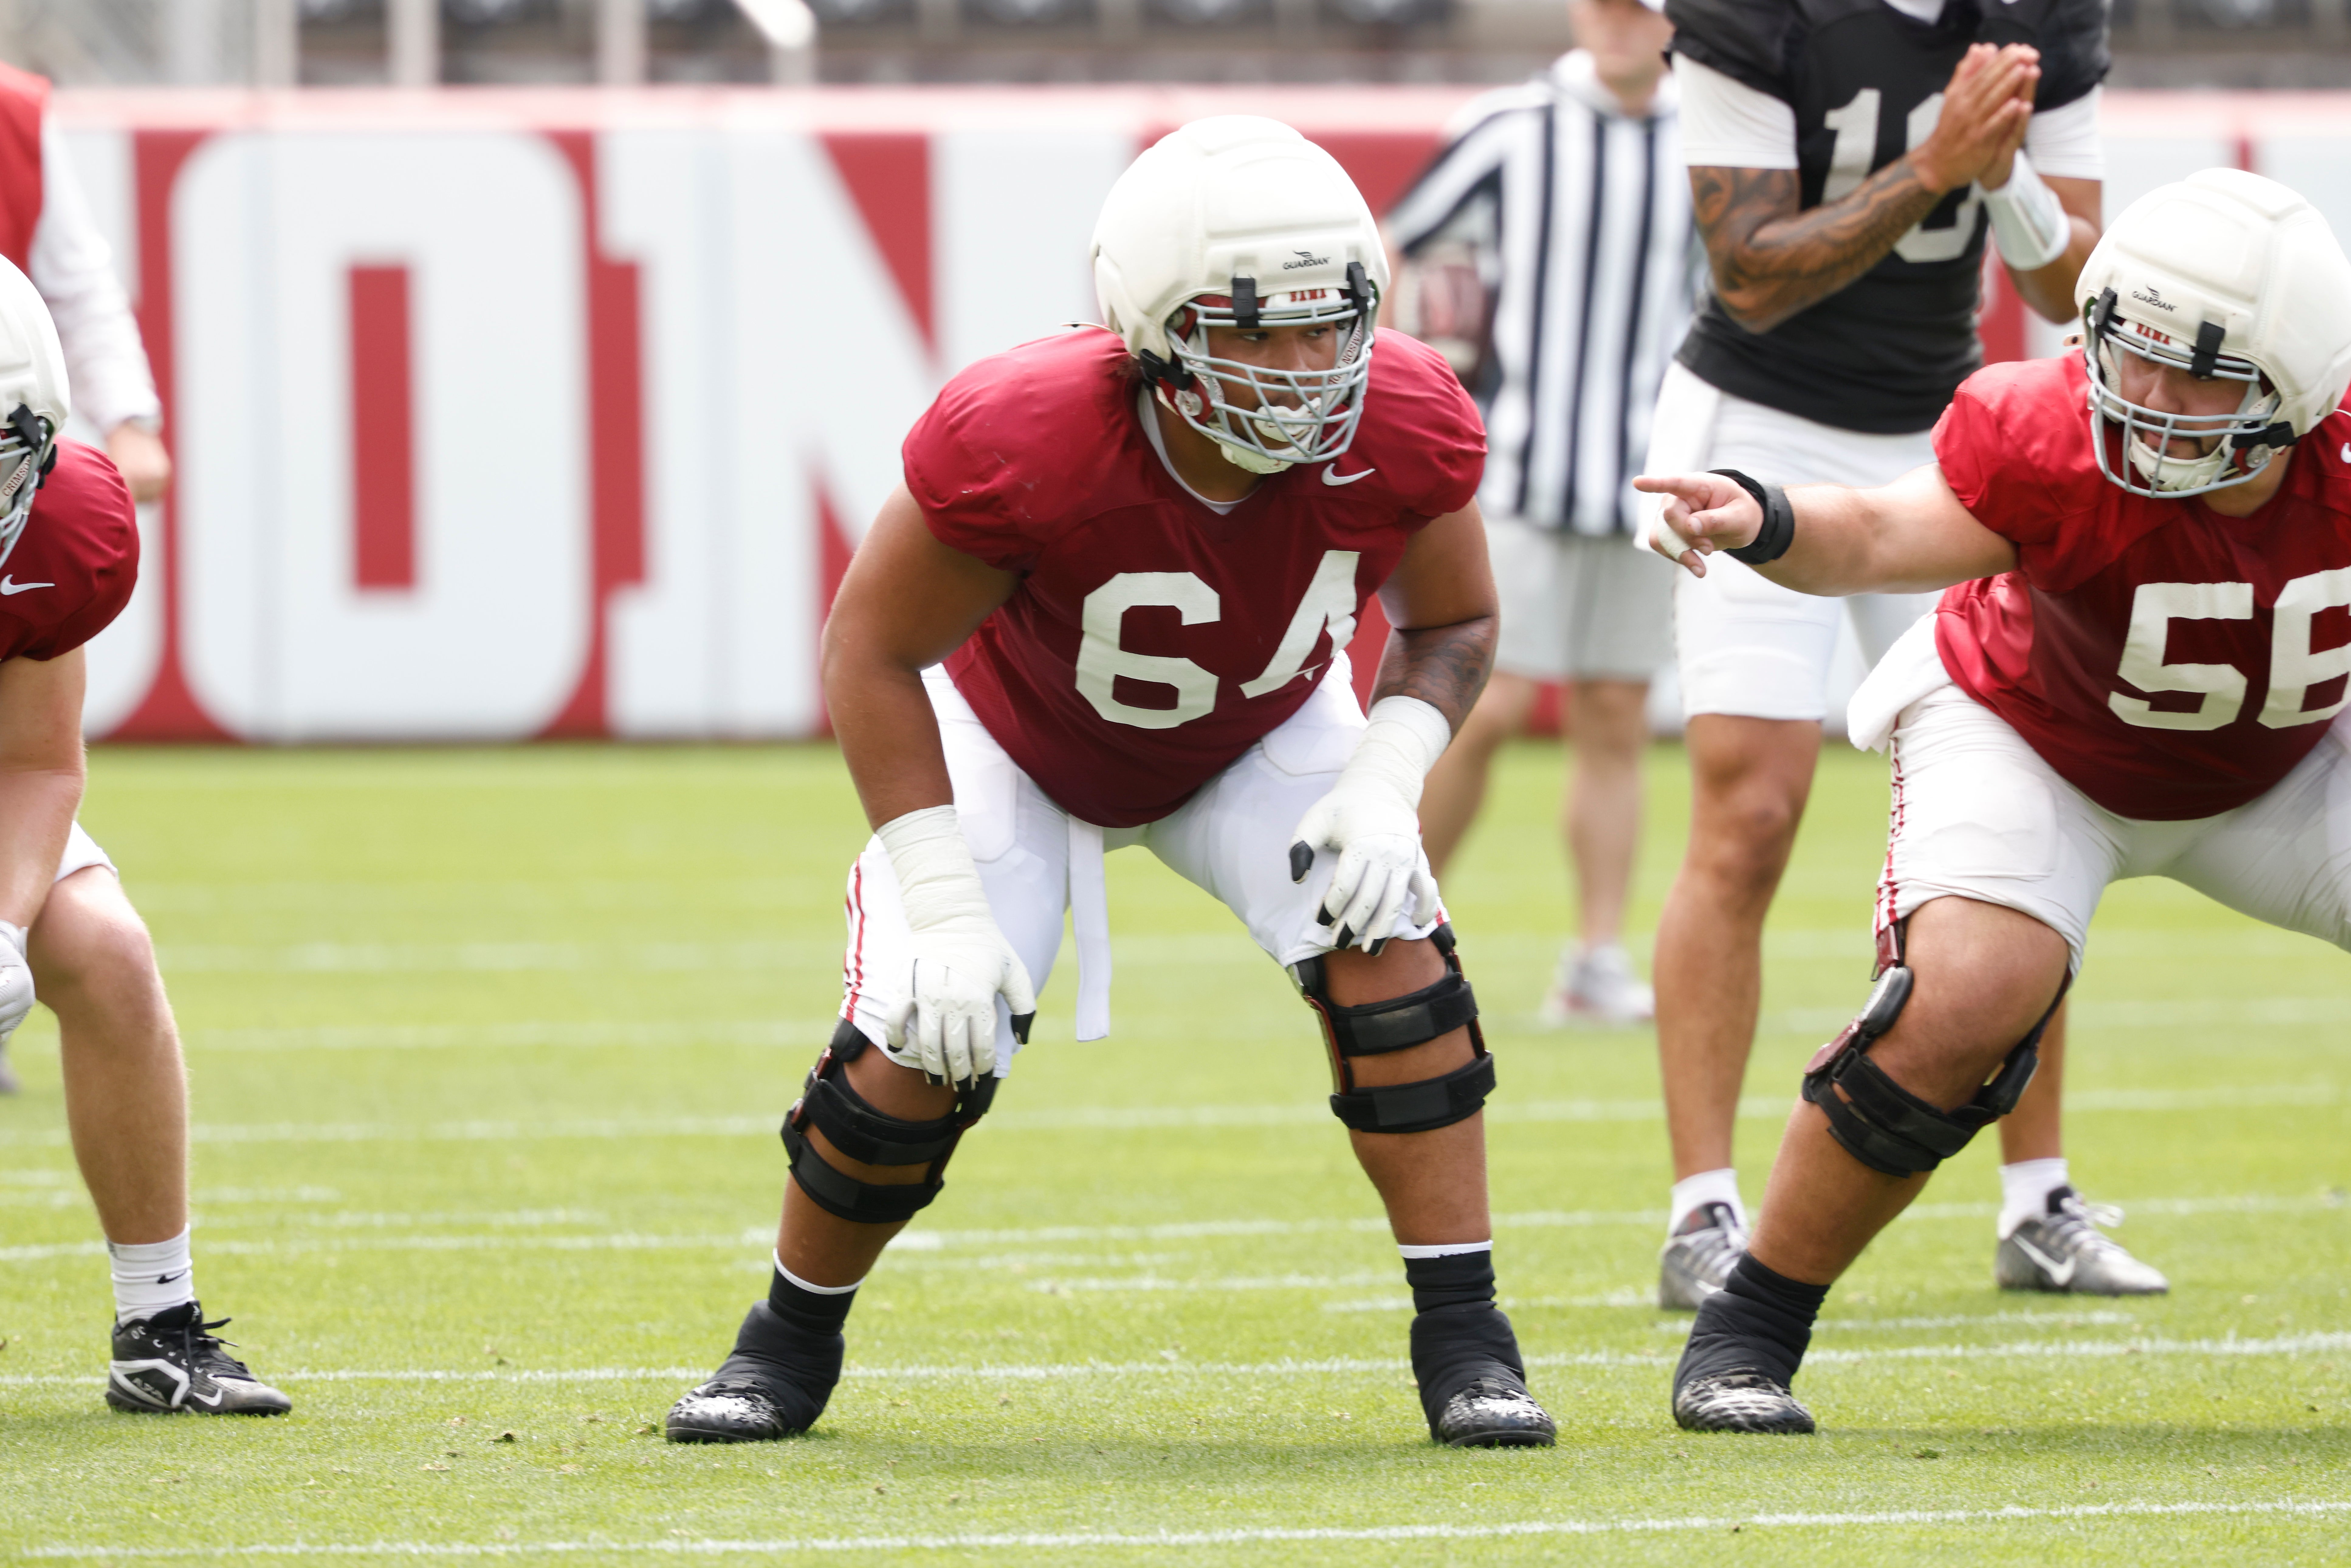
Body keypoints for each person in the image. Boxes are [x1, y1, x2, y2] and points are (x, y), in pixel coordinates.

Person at [661, 117, 1556, 1451]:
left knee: (1394, 954)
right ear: (1157, 330)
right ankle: (786, 1338)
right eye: (1260, 332)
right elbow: (870, 646)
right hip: (1015, 732)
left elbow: (1455, 623)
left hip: (1259, 727)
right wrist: (944, 904)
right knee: (921, 1032)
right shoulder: (1026, 434)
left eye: (1332, 325)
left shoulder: (1408, 420)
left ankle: (1469, 1339)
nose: (1309, 369)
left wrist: (1387, 773)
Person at [1637, 167, 2351, 1432]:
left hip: (2288, 763)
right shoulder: (2050, 432)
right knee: (1966, 996)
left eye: (2197, 380)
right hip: (2036, 738)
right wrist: (1768, 515)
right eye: (2131, 354)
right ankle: (1752, 1323)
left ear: (2294, 394)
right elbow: (1870, 536)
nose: (2149, 399)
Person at [1637, 0, 2161, 1309]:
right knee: (1750, 810)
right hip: (1760, 419)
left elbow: (2068, 286)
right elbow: (1748, 268)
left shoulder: (2040, 17)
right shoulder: (1759, 15)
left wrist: (2008, 180)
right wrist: (1933, 167)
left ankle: (2039, 1200)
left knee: (2029, 796)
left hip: (1947, 433)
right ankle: (1703, 1208)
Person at [0, 257, 287, 1415]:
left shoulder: (59, 521)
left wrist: (4, 925)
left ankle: (158, 1326)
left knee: (107, 954)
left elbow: (34, 759)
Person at [1388, 0, 1692, 1028]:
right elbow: (1396, 246)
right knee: (1490, 704)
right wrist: (1422, 376)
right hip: (1519, 466)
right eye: (1605, 6)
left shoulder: (1713, 135)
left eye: (1639, 11)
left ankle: (1595, 958)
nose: (1618, 26)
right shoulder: (1510, 127)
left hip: (1649, 473)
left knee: (1614, 713)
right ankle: (1388, 928)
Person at [0, 59, 173, 1095]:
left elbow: (79, 284)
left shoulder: (15, 113)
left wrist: (132, 420)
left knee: (109, 953)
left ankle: (159, 1271)